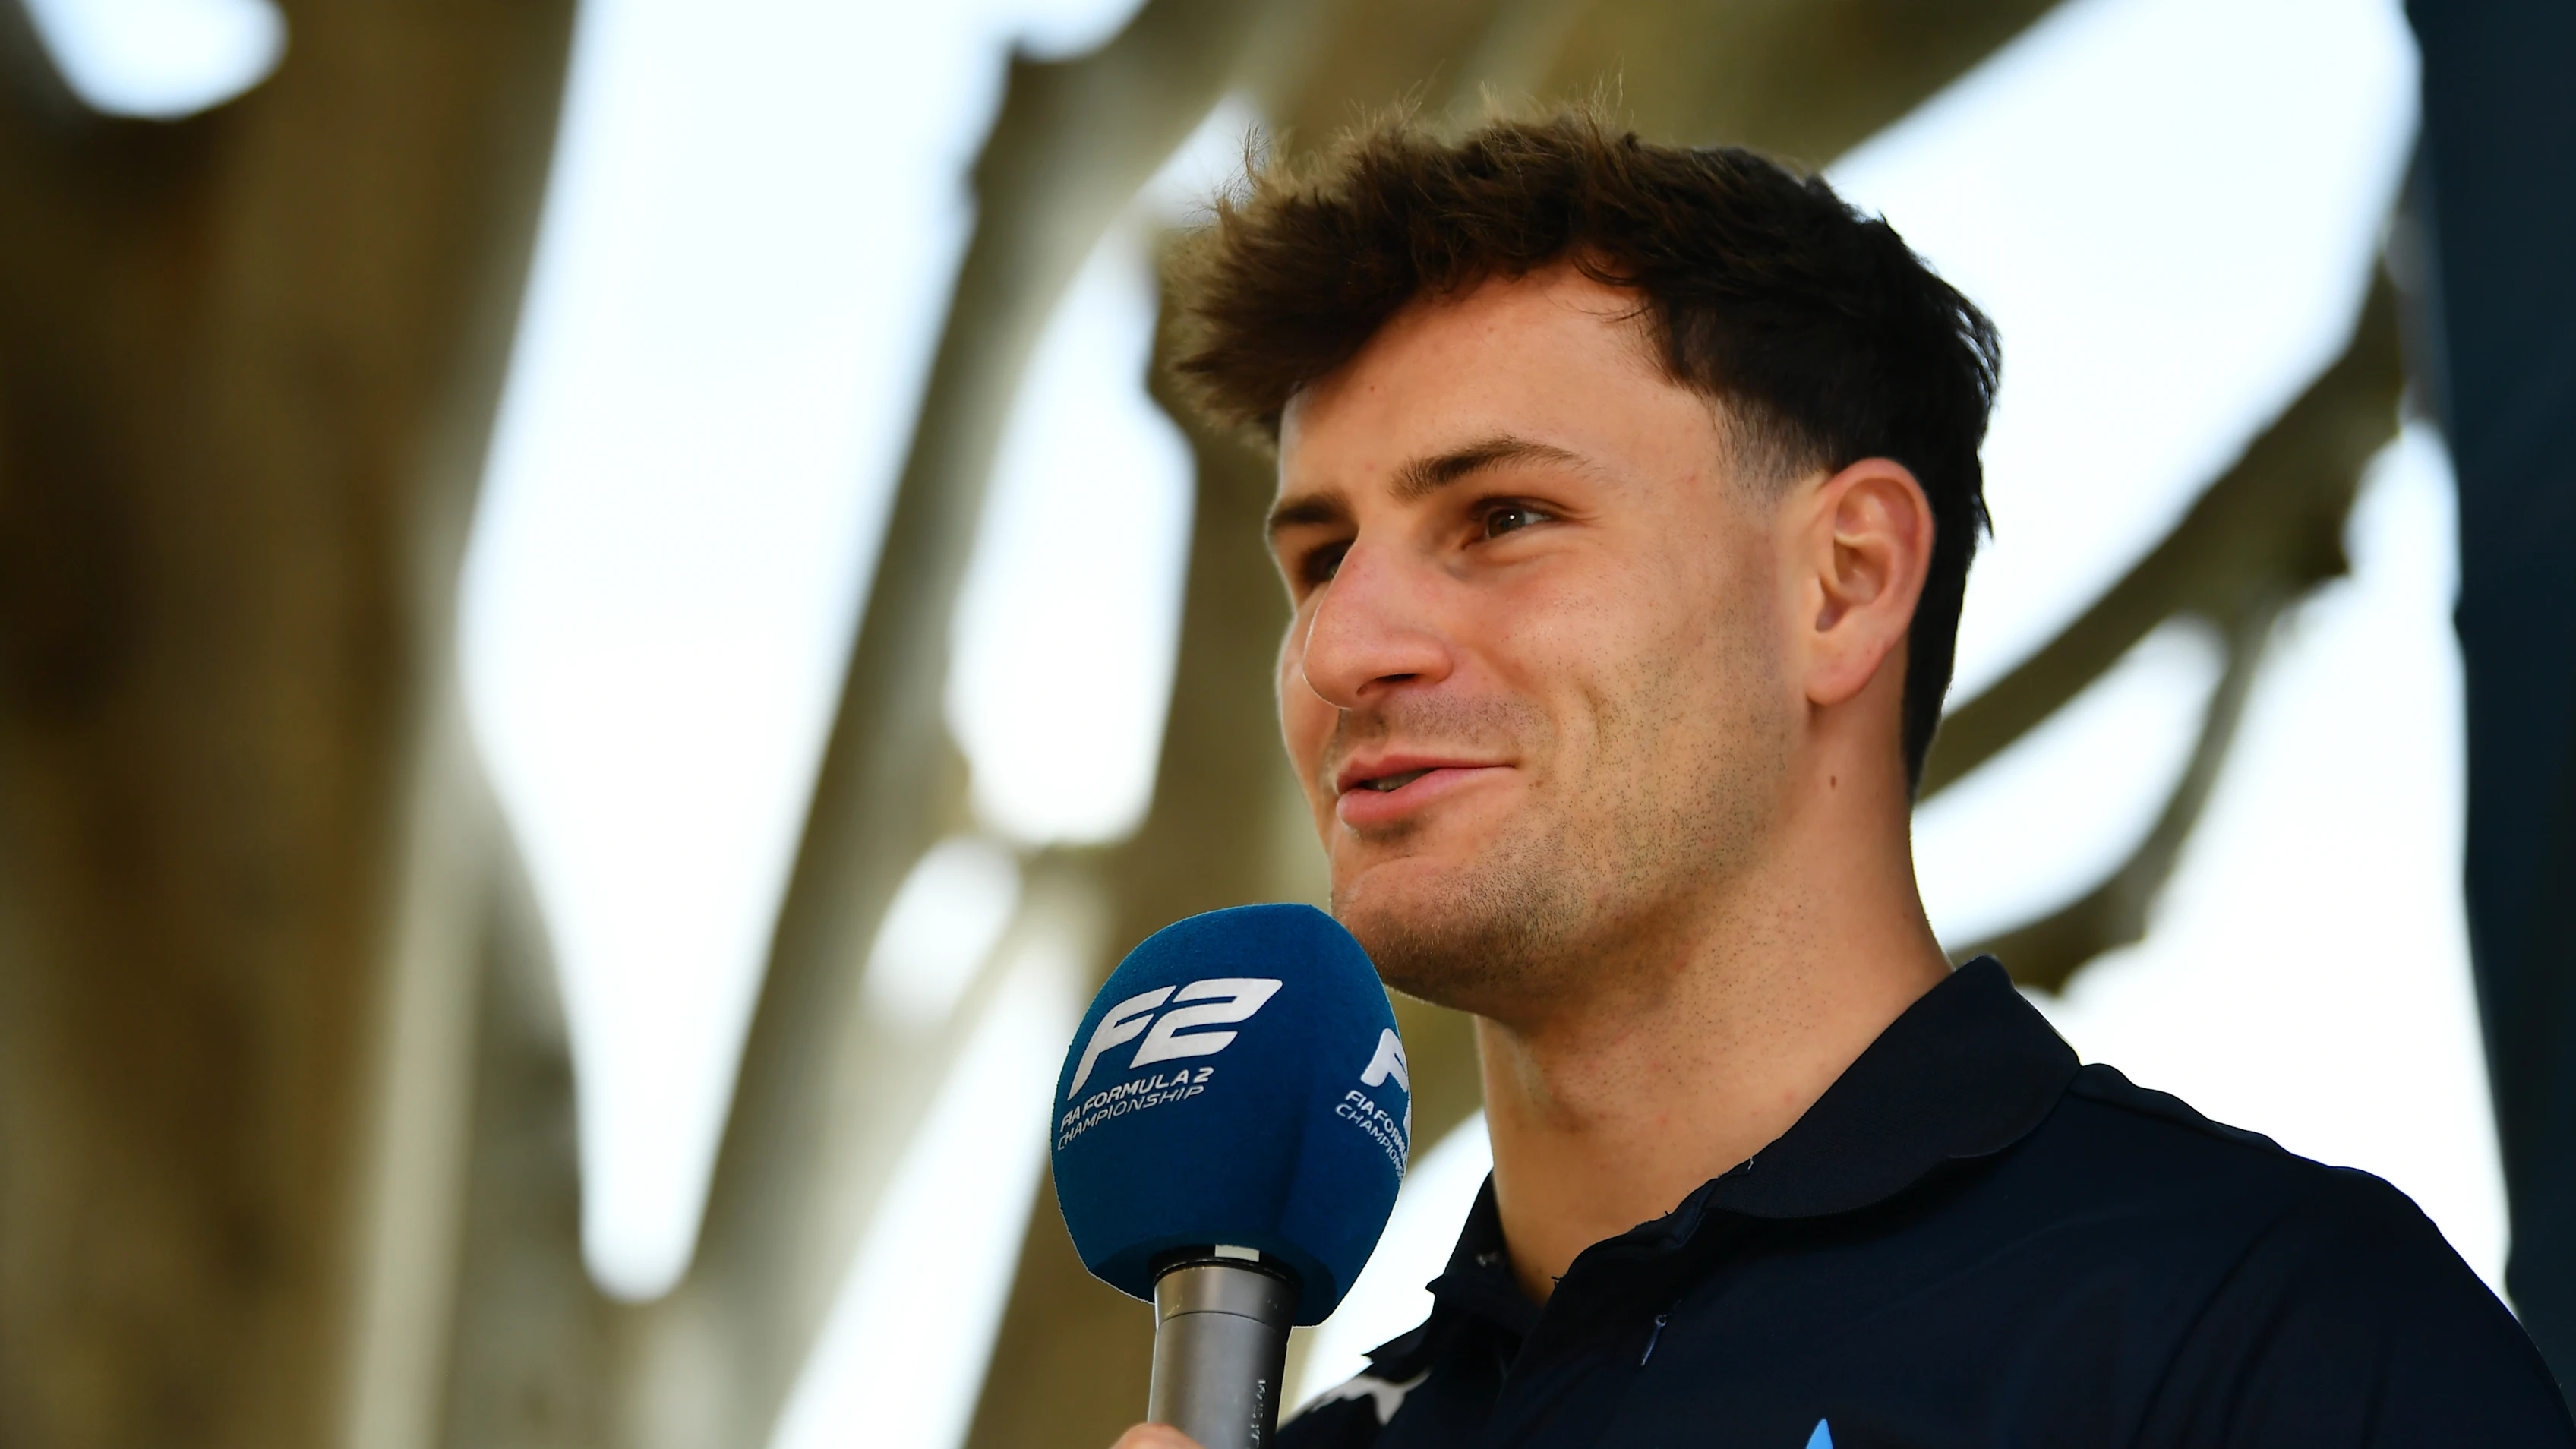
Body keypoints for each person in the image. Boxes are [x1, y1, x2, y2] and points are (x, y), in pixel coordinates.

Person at [1112, 110, 2572, 1447]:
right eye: (1321, 557)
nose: (1343, 644)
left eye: (1501, 516)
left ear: (1844, 583)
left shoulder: (2269, 1334)